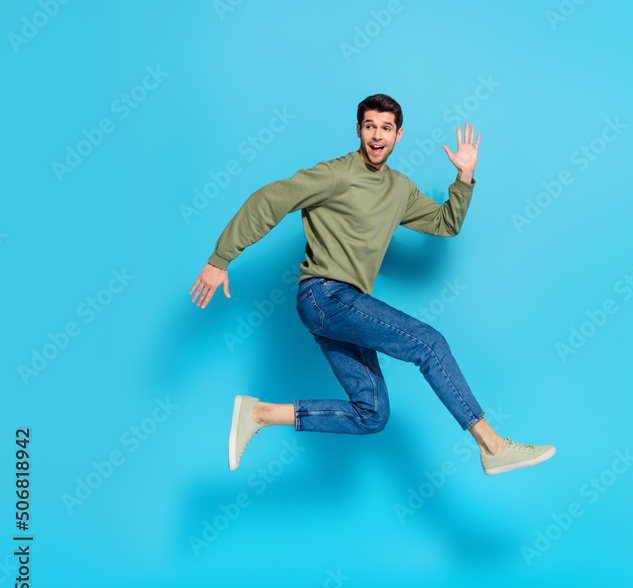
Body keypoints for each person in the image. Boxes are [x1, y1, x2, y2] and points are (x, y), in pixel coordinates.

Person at [189, 93, 555, 476]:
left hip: (343, 305)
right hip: (324, 295)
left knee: (373, 413)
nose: (377, 136)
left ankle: (261, 413)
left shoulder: (400, 189)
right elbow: (269, 200)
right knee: (429, 344)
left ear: (398, 135)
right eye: (369, 127)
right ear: (359, 131)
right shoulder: (337, 175)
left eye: (385, 128)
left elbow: (446, 223)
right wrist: (221, 259)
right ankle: (492, 446)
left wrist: (464, 177)